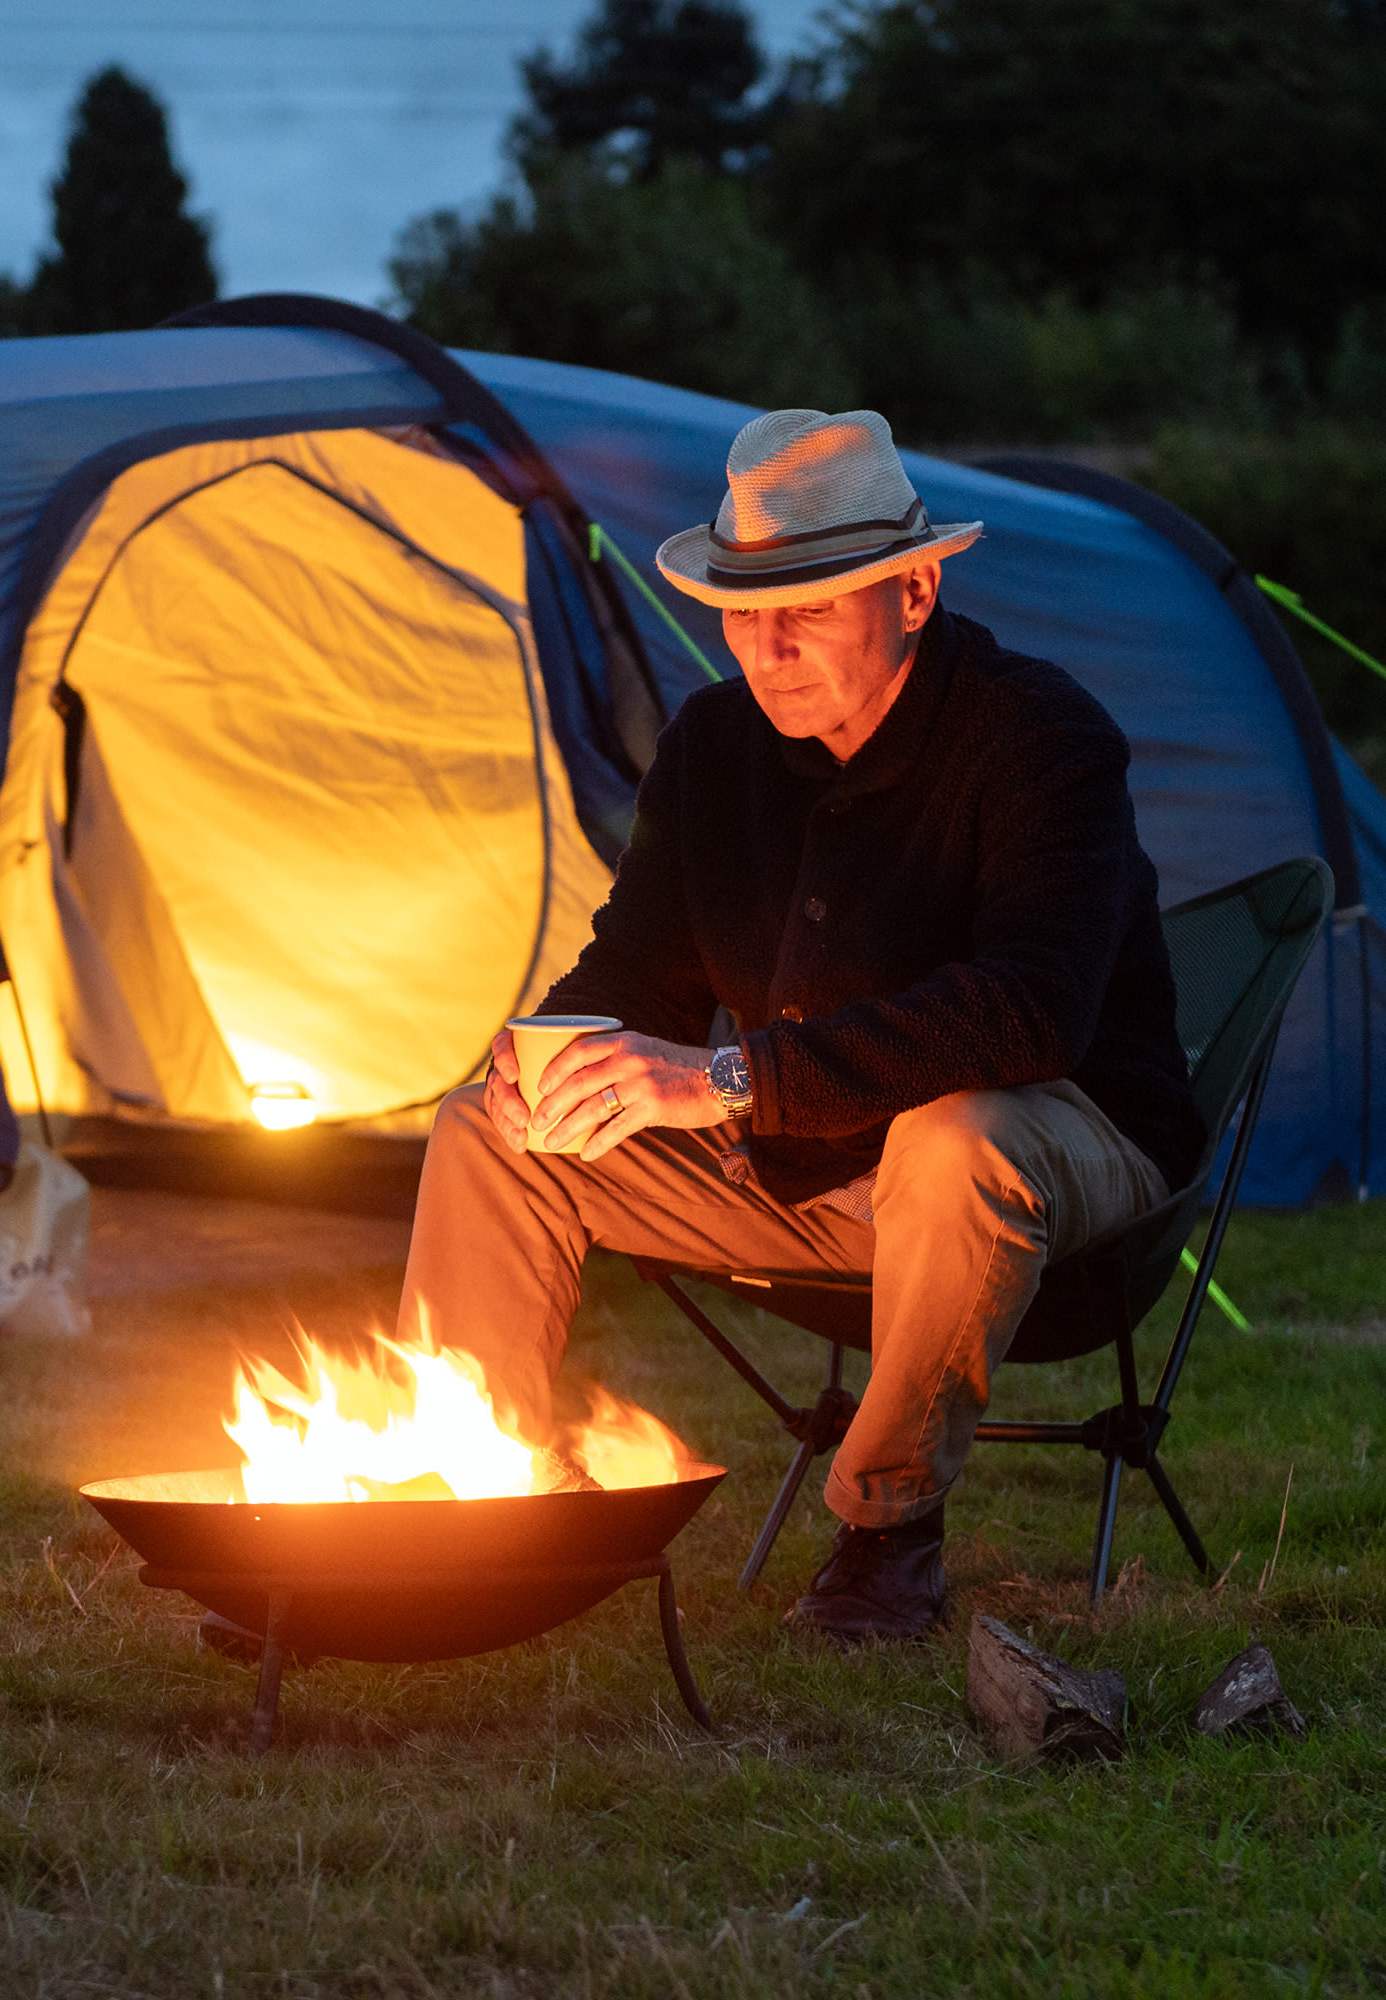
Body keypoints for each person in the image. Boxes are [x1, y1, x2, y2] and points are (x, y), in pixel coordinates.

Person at [397, 408, 1202, 1644]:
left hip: (1063, 1154)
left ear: (916, 588)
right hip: (810, 1161)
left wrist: (726, 1077)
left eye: (810, 606)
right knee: (493, 1133)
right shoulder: (717, 746)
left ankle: (887, 1532)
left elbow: (1029, 1012)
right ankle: (450, 1510)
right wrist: (548, 1054)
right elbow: (639, 970)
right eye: (741, 606)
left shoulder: (1037, 737)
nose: (765, 647)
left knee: (953, 1137)